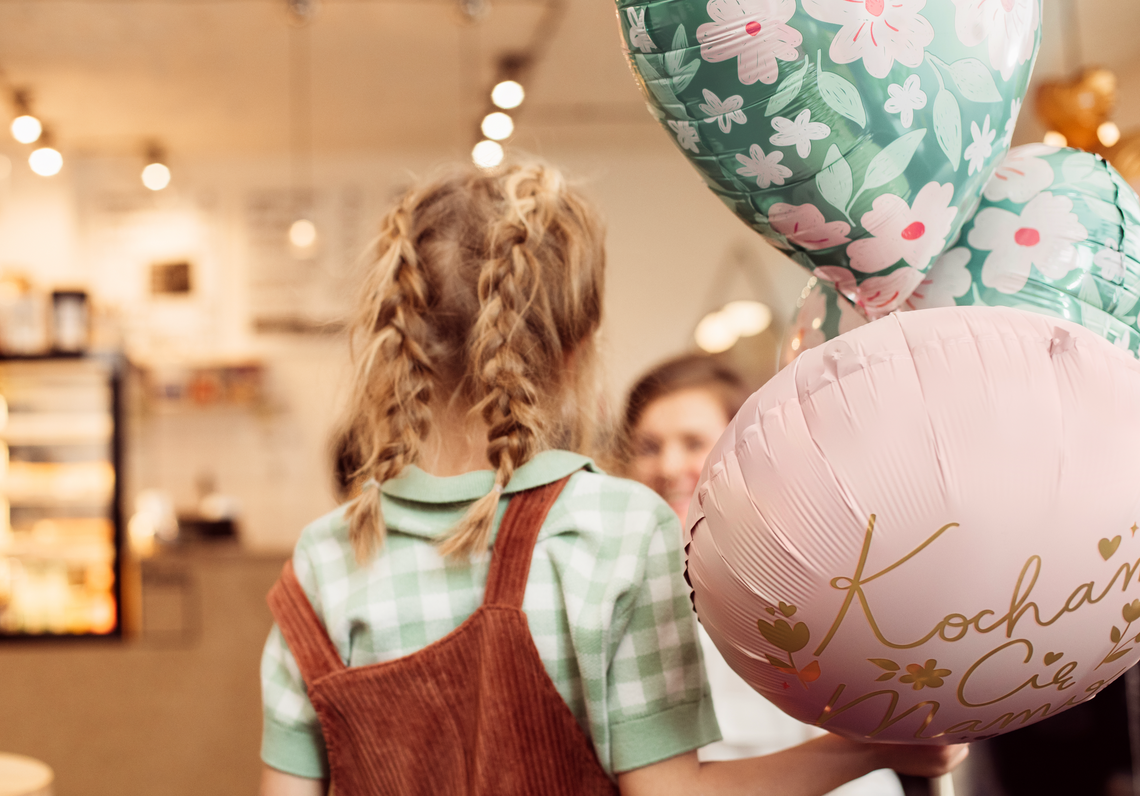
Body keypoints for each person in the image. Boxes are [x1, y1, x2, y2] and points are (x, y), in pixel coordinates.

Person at [258, 161, 966, 796]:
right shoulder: (615, 529)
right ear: (574, 352)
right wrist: (866, 749)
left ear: (401, 344)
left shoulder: (322, 559)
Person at [618, 353, 905, 796]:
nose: (669, 467)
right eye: (649, 448)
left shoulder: (812, 565)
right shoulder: (620, 586)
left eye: (693, 443)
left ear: (741, 451)